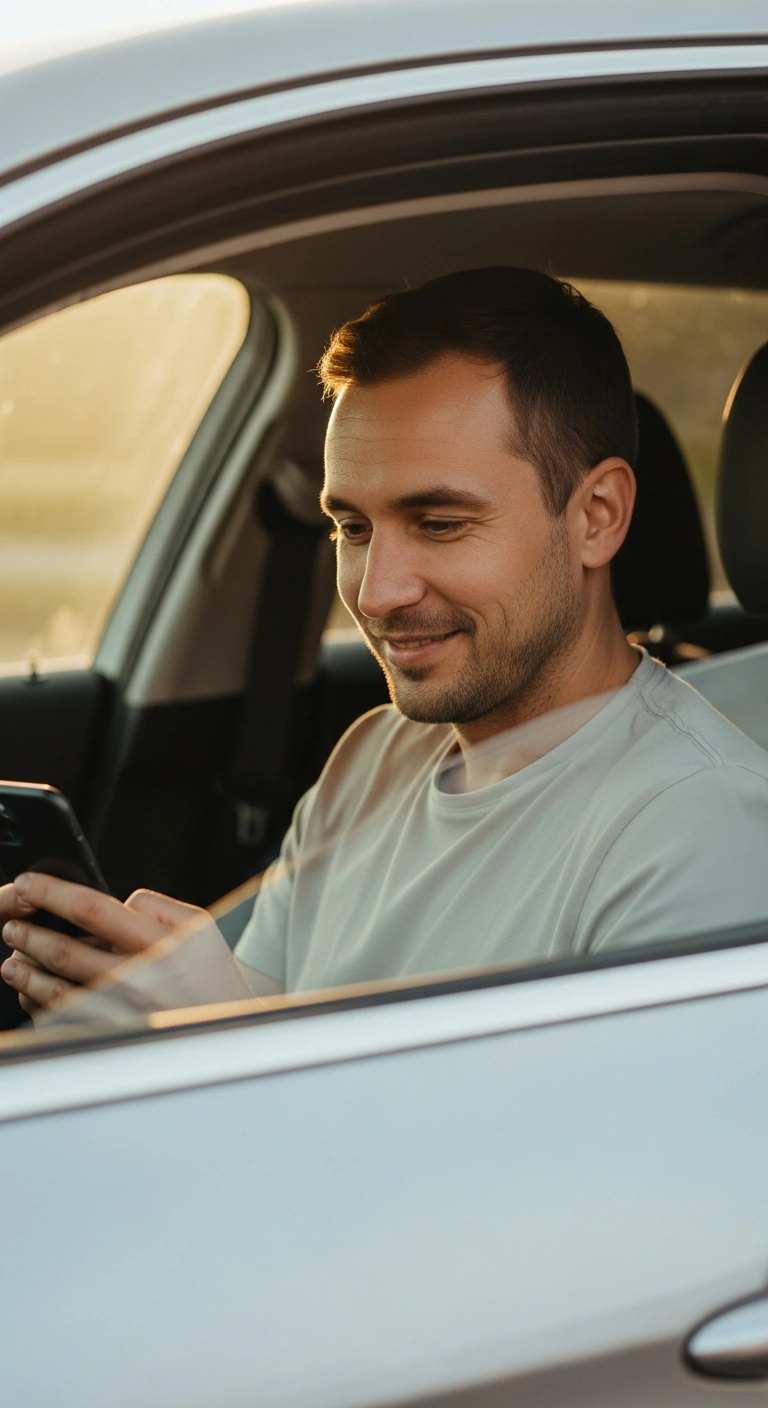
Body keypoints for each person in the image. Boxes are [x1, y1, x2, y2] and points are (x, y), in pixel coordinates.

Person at [3, 266, 768, 1018]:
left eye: (439, 524)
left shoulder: (702, 829)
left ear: (596, 516)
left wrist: (220, 1036)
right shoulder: (371, 759)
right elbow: (272, 1012)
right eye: (352, 528)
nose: (375, 594)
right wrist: (154, 1015)